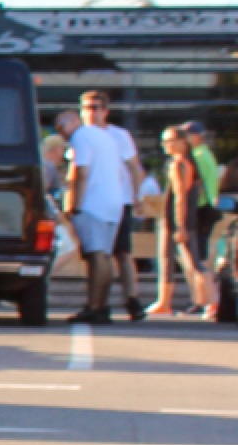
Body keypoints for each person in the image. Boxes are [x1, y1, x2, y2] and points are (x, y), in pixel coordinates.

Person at [66, 89, 145, 324]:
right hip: (106, 201)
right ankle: (100, 303)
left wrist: (137, 196)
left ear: (106, 111)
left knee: (118, 252)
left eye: (96, 108)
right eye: (86, 108)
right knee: (101, 254)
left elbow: (133, 167)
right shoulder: (87, 135)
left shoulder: (116, 135)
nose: (92, 113)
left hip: (114, 200)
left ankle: (129, 298)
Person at [151, 126, 213, 316]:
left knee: (189, 262)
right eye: (164, 141)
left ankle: (211, 301)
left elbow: (180, 197)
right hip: (184, 220)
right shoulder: (187, 163)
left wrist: (180, 225)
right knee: (183, 261)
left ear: (182, 142)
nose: (165, 145)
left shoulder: (179, 165)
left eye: (170, 141)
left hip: (176, 221)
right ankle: (167, 301)